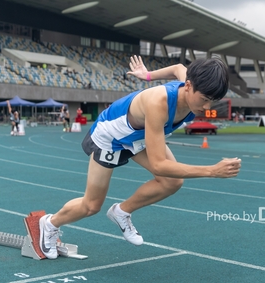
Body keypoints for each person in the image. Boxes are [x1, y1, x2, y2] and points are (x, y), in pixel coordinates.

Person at [37, 55, 242, 259]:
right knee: (91, 206)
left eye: (212, 101)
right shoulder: (158, 103)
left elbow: (178, 67)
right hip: (111, 137)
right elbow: (159, 165)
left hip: (139, 135)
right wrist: (212, 171)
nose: (207, 108)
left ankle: (121, 212)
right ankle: (50, 223)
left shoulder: (191, 84)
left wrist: (148, 75)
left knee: (172, 182)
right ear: (188, 86)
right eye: (204, 100)